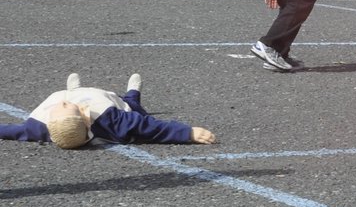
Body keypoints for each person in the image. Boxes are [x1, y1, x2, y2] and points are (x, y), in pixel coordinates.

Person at [0, 73, 217, 147]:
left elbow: (11, 130)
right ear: (85, 118)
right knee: (133, 105)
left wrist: (72, 96)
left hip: (82, 96)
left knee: (73, 93)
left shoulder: (37, 128)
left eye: (60, 107)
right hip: (112, 103)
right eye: (67, 107)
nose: (60, 104)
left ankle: (74, 90)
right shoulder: (114, 121)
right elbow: (152, 128)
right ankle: (133, 91)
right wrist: (188, 133)